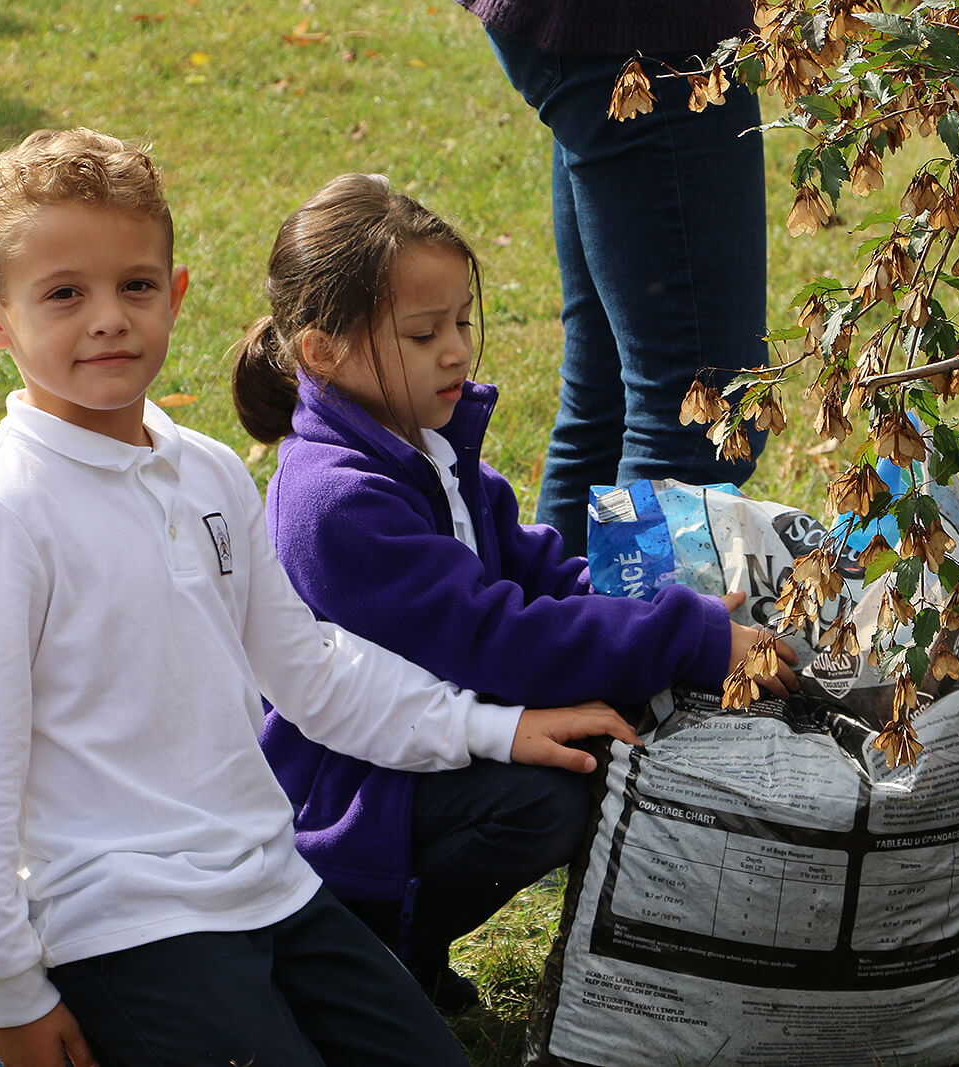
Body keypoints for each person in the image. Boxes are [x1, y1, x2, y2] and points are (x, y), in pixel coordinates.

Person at [0, 127, 639, 1067]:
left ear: (174, 294)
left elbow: (312, 668)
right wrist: (7, 985)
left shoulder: (208, 471)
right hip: (120, 923)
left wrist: (495, 731)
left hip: (272, 883)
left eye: (135, 285)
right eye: (63, 293)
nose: (108, 319)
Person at [230, 172, 797, 1012]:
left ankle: (399, 949)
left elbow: (539, 575)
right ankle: (368, 947)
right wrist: (688, 640)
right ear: (322, 351)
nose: (457, 350)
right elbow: (498, 637)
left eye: (460, 322)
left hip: (425, 740)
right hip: (346, 789)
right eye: (422, 335)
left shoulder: (427, 445)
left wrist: (668, 611)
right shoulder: (336, 501)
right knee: (549, 797)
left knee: (588, 755)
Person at [453, 0, 770, 555]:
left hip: (598, 29)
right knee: (698, 413)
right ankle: (622, 638)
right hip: (643, 33)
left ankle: (556, 629)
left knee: (612, 395)